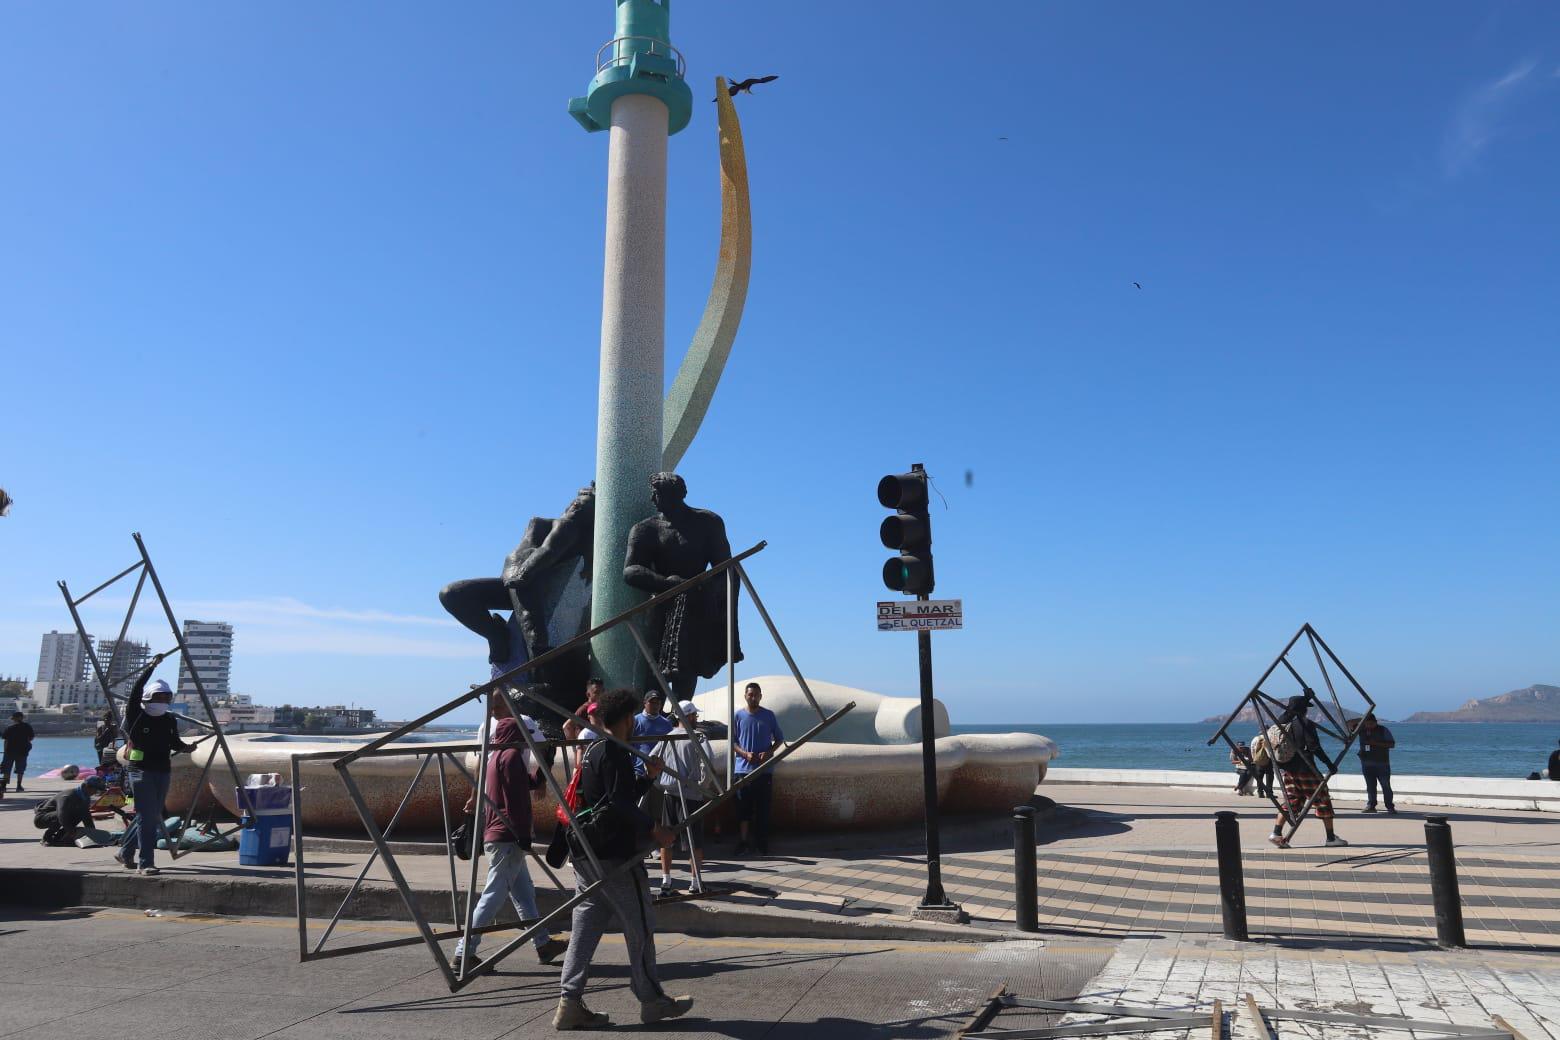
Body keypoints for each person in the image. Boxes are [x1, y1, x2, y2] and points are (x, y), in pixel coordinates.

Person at [555, 688, 691, 1031]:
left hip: (586, 852)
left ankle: (569, 1003)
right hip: (614, 855)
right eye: (633, 718)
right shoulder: (613, 750)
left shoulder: (593, 749)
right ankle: (652, 1000)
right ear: (628, 719)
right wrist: (654, 828)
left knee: (584, 930)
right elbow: (618, 805)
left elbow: (612, 797)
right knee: (641, 923)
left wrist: (646, 779)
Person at [454, 697, 567, 971]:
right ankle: (463, 952)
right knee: (494, 894)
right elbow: (515, 799)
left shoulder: (497, 758)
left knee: (524, 892)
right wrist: (523, 834)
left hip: (497, 834)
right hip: (507, 836)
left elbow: (518, 784)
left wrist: (539, 776)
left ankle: (542, 943)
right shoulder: (514, 756)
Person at [622, 472, 741, 699]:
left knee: (688, 664)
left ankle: (683, 716)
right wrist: (666, 583)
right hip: (661, 605)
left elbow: (726, 568)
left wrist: (705, 588)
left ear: (675, 496)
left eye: (657, 494)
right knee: (654, 664)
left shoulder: (708, 523)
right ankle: (652, 719)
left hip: (696, 604)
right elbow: (630, 570)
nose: (652, 500)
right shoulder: (645, 529)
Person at [119, 657, 198, 875]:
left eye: (166, 697)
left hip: (163, 770)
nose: (162, 700)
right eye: (158, 696)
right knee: (146, 816)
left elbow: (174, 743)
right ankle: (146, 863)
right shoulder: (136, 715)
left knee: (152, 815)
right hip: (140, 771)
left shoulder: (169, 720)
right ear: (147, 699)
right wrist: (151, 667)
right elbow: (135, 690)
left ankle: (125, 852)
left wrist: (186, 747)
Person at [1268, 692, 1347, 849]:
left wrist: (1307, 698)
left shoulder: (1281, 723)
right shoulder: (1305, 724)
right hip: (1306, 769)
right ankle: (1330, 838)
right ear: (1304, 709)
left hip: (1288, 769)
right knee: (1322, 800)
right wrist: (1329, 763)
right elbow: (1313, 747)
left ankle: (1276, 833)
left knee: (1292, 801)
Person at [656, 701, 717, 897]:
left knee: (666, 838)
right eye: (694, 716)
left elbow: (651, 760)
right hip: (691, 795)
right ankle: (695, 882)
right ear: (688, 716)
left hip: (669, 794)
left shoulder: (667, 737)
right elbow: (708, 765)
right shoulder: (698, 736)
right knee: (694, 841)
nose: (696, 719)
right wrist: (702, 787)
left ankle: (666, 881)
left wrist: (661, 783)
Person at [732, 682, 784, 856]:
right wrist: (744, 754)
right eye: (750, 694)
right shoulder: (738, 716)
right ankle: (743, 842)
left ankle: (761, 843)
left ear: (760, 696)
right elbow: (732, 742)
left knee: (763, 809)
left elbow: (779, 739)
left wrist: (768, 753)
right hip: (742, 771)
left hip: (764, 772)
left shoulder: (769, 716)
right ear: (745, 696)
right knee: (743, 810)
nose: (753, 697)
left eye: (756, 695)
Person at [35, 776, 112, 846]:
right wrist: (72, 832)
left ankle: (59, 837)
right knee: (61, 816)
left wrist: (93, 834)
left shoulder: (86, 797)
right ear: (86, 787)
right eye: (95, 790)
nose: (95, 793)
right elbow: (62, 816)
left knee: (81, 813)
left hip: (60, 816)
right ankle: (46, 838)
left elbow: (86, 817)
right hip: (41, 818)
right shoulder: (68, 796)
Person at [1354, 712, 1397, 814]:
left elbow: (1392, 744)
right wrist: (1361, 719)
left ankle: (1390, 806)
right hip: (1366, 763)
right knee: (1370, 786)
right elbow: (1348, 724)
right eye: (1367, 724)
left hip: (1382, 763)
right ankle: (1371, 805)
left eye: (1371, 724)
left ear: (1375, 722)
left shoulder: (1383, 730)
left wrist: (1375, 743)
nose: (1369, 726)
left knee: (1385, 785)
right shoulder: (1361, 730)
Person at [632, 690, 676, 778]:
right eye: (652, 702)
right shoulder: (635, 720)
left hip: (660, 773)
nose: (655, 705)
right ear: (645, 703)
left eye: (658, 703)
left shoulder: (667, 723)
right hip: (639, 772)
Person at [2, 711, 36, 792]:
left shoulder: (10, 728)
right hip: (22, 751)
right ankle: (19, 785)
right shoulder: (27, 726)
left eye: (14, 718)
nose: (13, 720)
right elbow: (31, 738)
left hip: (10, 751)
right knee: (20, 769)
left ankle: (4, 786)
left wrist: (5, 751)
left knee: (7, 769)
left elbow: (5, 740)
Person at [1248, 732, 1275, 800]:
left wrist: (1254, 758)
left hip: (1258, 760)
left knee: (1259, 777)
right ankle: (1269, 793)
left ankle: (1260, 793)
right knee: (1269, 776)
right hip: (1268, 760)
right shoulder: (1269, 738)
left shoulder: (1255, 739)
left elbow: (1252, 749)